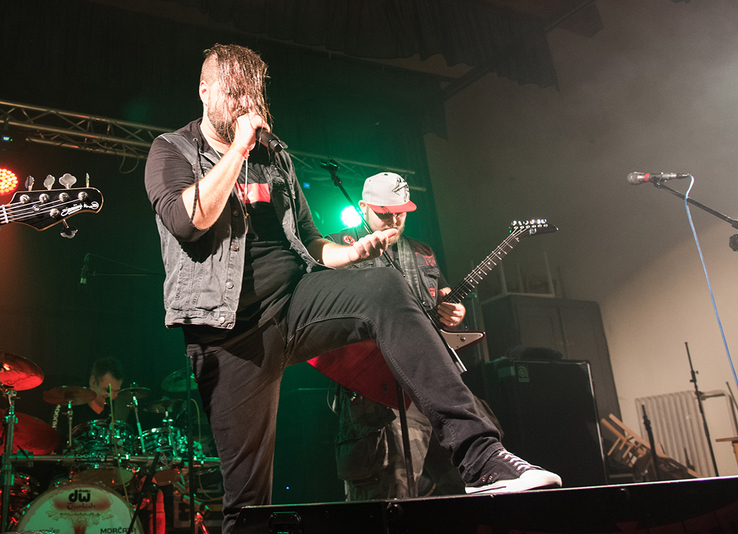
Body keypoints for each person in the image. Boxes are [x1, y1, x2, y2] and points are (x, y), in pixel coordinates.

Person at [144, 43, 561, 533]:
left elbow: (310, 240)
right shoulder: (171, 150)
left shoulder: (275, 156)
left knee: (383, 285)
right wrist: (236, 149)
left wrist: (354, 254)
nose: (243, 104)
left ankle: (481, 457)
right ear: (204, 90)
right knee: (247, 503)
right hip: (229, 334)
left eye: (251, 94)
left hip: (294, 305)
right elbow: (190, 222)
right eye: (233, 92)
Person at [326, 172, 466, 500]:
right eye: (385, 213)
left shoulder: (422, 251)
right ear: (363, 207)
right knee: (388, 494)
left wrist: (455, 313)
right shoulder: (336, 246)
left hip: (429, 383)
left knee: (462, 484)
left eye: (400, 212)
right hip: (373, 389)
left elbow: (443, 297)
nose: (394, 220)